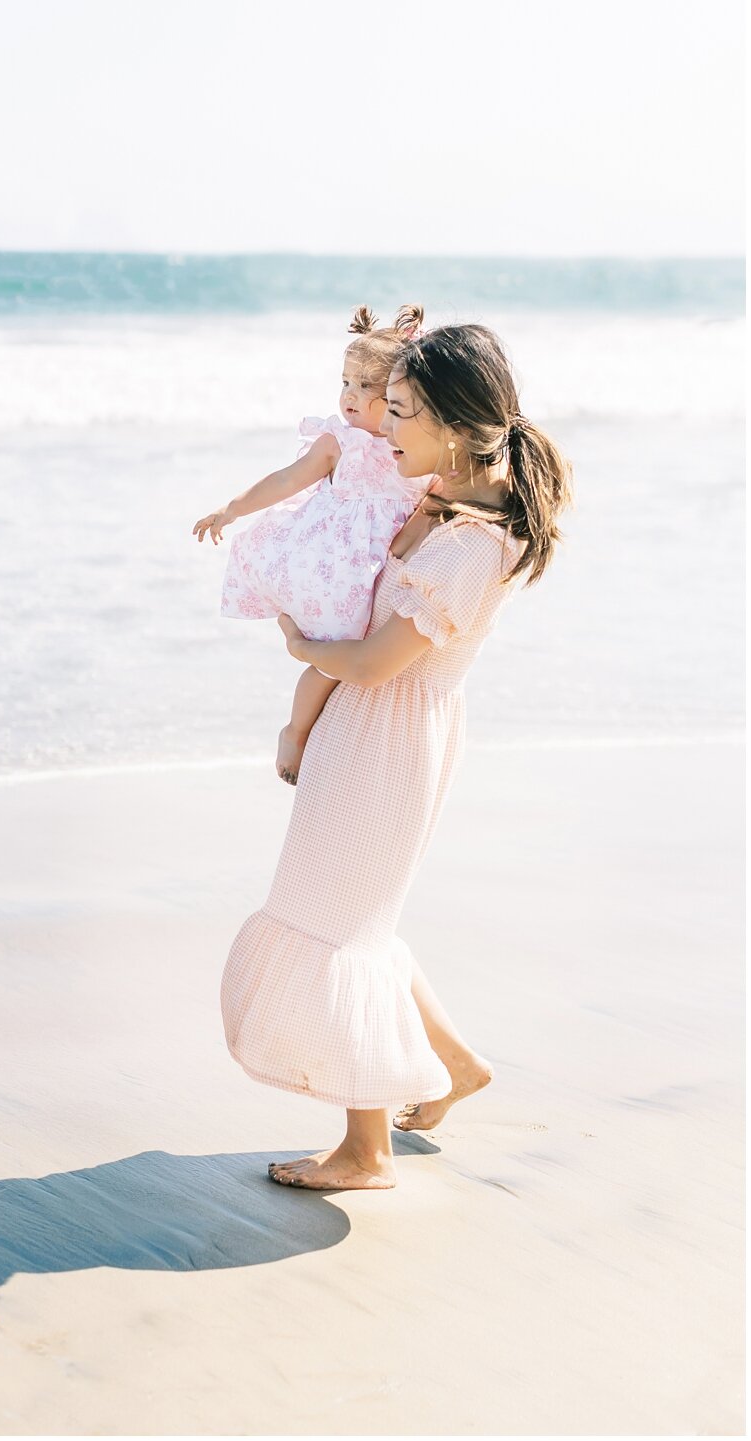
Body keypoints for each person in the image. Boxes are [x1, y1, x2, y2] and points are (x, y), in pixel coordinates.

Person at [219, 322, 574, 1191]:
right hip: (372, 729)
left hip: (387, 739)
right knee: (357, 917)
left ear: (454, 423)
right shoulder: (449, 499)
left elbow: (376, 661)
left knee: (340, 929)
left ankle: (364, 1149)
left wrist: (301, 644)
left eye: (402, 411)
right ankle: (452, 1066)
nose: (383, 428)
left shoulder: (468, 544)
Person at [193, 306, 436, 786]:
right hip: (332, 564)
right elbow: (286, 479)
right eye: (346, 382)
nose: (351, 396)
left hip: (377, 568)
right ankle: (296, 732)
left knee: (366, 655)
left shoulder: (417, 446)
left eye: (369, 388)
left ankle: (342, 736)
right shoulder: (339, 442)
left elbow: (439, 493)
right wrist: (233, 509)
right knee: (333, 653)